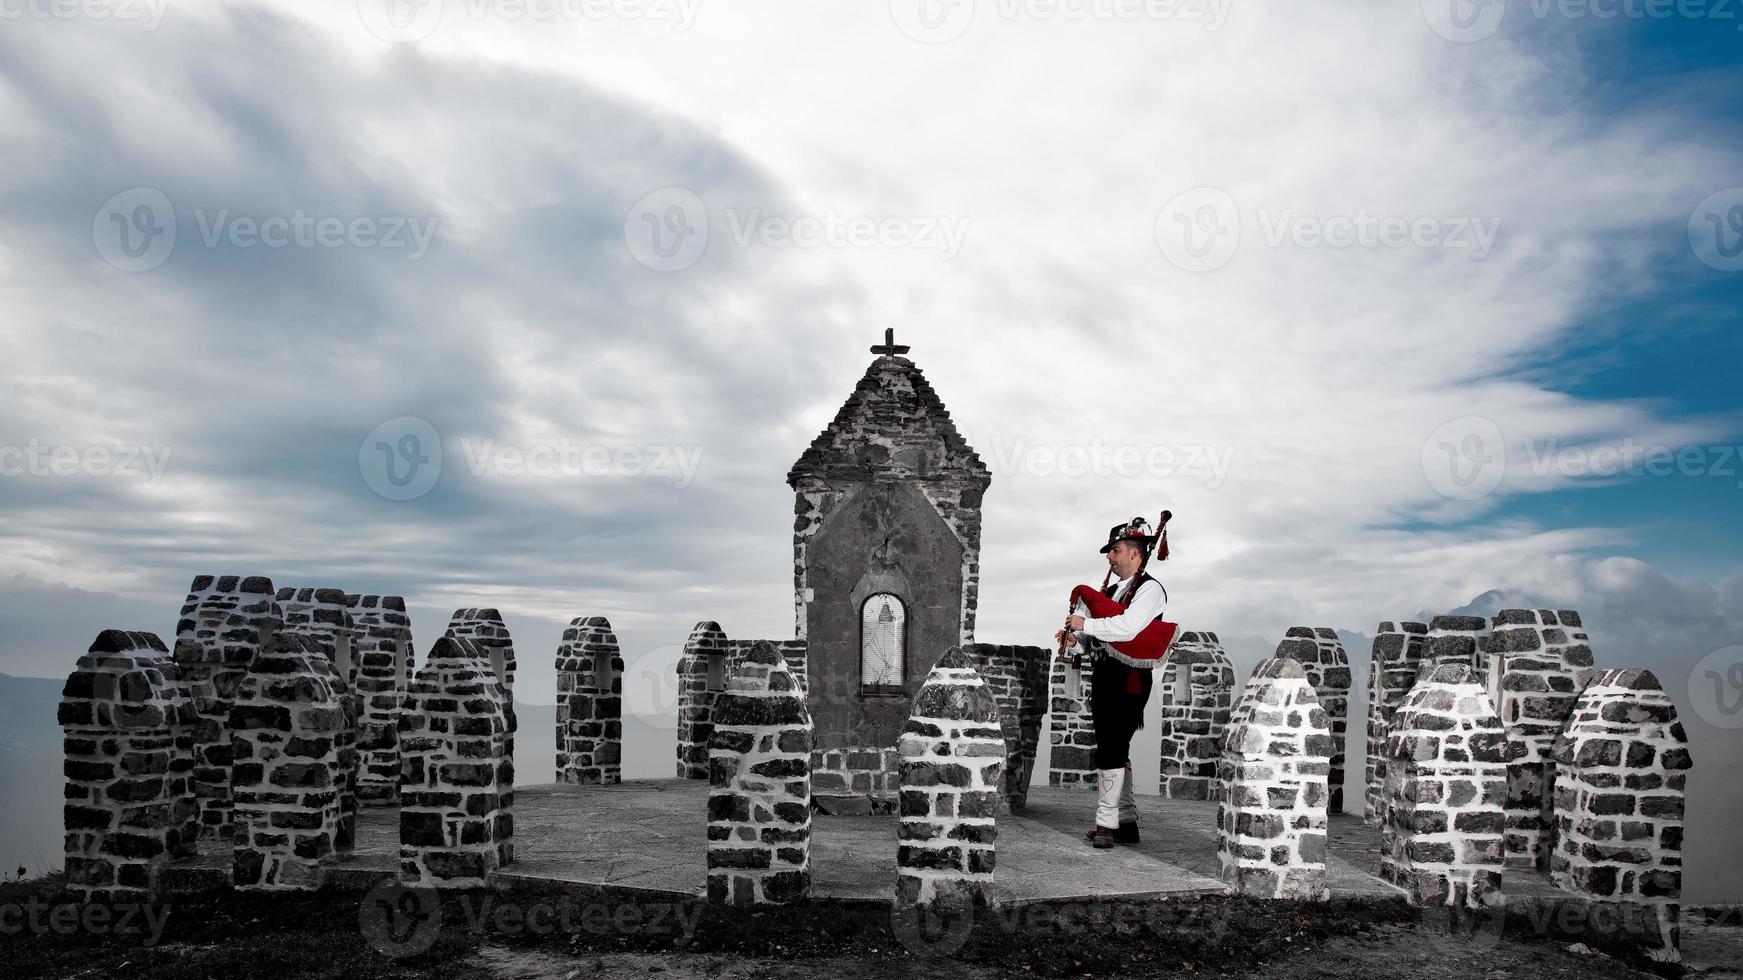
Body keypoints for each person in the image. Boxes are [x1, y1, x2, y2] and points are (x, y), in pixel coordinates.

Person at [1055, 514, 1172, 849]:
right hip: (1106, 674)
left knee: (1111, 749)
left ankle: (1106, 824)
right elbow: (1103, 641)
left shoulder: (1150, 590)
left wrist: (1085, 623)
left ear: (1135, 552)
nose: (1109, 557)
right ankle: (1127, 821)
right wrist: (1078, 639)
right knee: (1115, 748)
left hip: (1130, 678)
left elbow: (1128, 629)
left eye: (1115, 550)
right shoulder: (1113, 591)